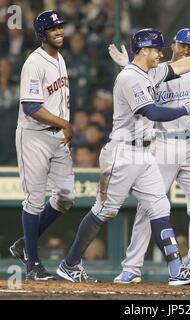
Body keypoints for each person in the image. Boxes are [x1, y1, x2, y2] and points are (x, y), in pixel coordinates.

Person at [56, 27, 190, 285]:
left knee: (160, 206)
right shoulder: (130, 77)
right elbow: (152, 112)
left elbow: (179, 67)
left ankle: (176, 269)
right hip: (122, 152)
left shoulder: (149, 71)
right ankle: (70, 263)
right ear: (144, 50)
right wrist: (183, 109)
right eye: (156, 49)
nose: (160, 54)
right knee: (106, 210)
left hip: (144, 152)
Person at [111, 28, 190, 285]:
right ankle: (132, 267)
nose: (186, 50)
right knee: (149, 206)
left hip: (189, 145)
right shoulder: (156, 72)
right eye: (183, 45)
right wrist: (127, 65)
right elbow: (135, 81)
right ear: (172, 45)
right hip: (160, 144)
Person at [9, 10, 75, 281]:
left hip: (57, 136)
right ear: (42, 33)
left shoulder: (59, 58)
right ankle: (33, 264)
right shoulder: (33, 62)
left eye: (60, 27)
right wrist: (66, 123)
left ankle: (25, 243)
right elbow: (32, 106)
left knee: (66, 195)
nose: (59, 31)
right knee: (35, 200)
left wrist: (63, 125)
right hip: (34, 136)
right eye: (53, 28)